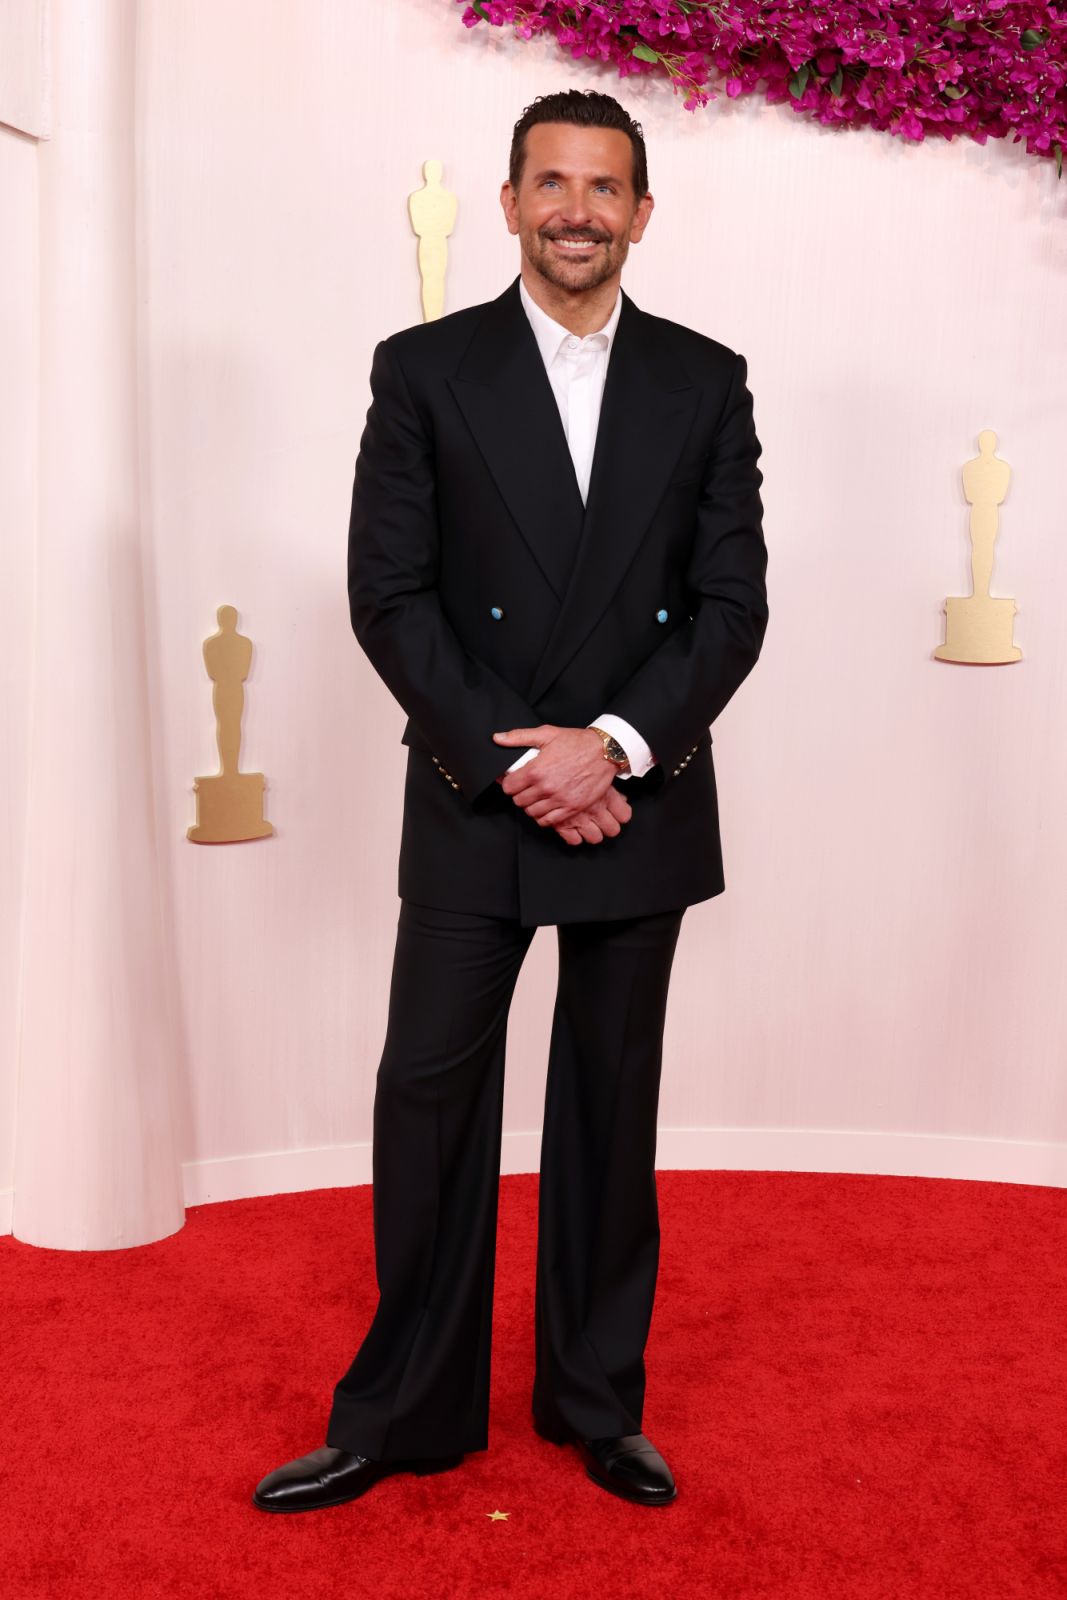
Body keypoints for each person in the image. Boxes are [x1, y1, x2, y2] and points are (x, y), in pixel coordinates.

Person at [254, 87, 768, 1514]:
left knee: (610, 1105)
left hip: (635, 795)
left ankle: (599, 1402)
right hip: (479, 792)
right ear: (509, 202)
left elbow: (732, 608)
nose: (577, 210)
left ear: (642, 213)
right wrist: (519, 758)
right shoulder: (423, 370)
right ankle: (406, 1410)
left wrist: (611, 743)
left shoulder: (707, 379)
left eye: (605, 187)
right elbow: (391, 595)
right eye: (551, 182)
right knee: (427, 1094)